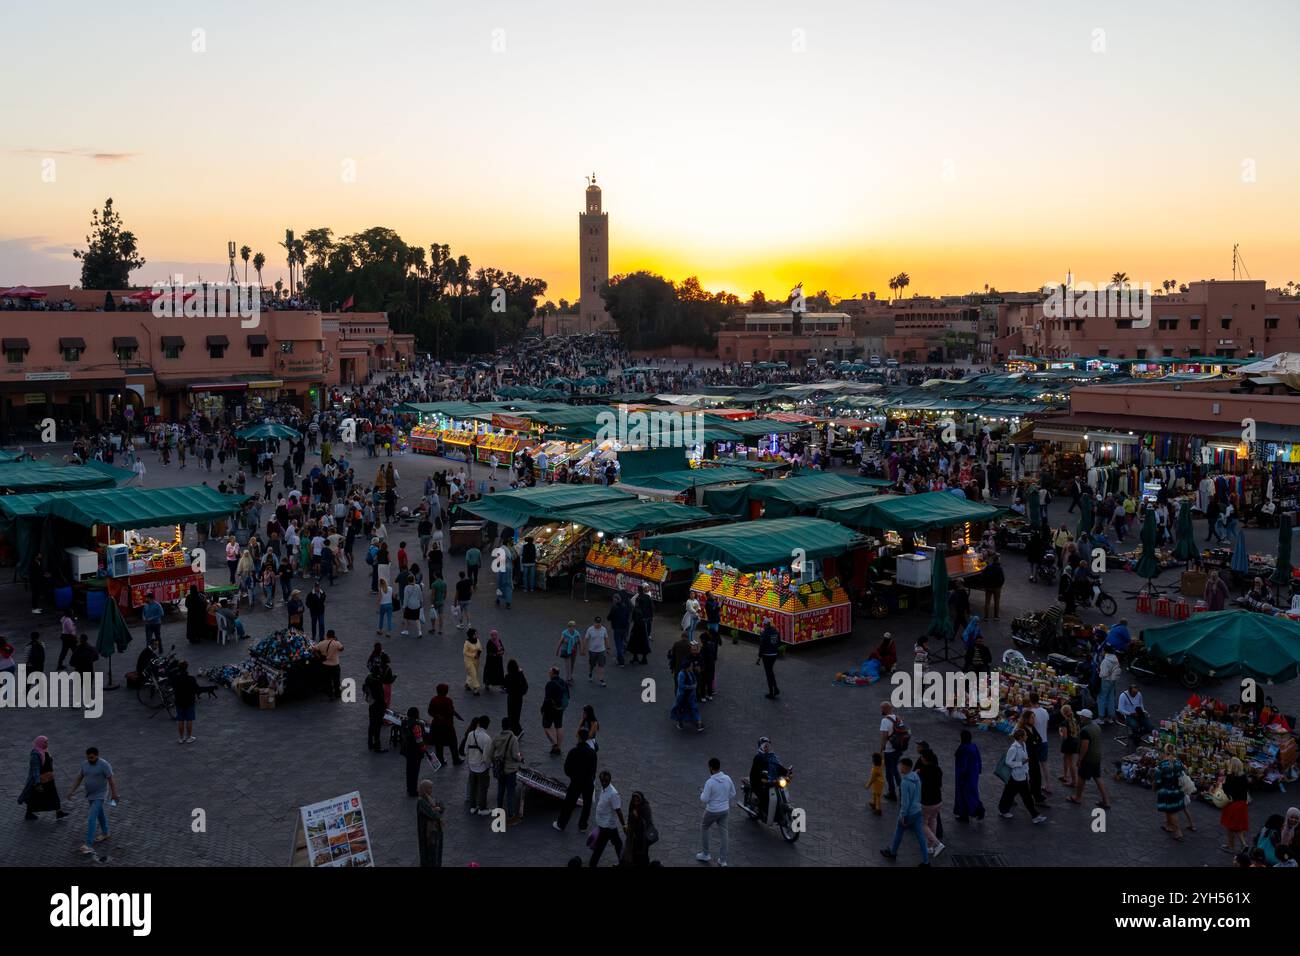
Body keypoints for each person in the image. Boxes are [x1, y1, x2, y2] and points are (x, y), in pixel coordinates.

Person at [67, 747, 118, 855]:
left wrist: (114, 794)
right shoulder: (84, 764)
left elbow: (111, 780)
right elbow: (79, 777)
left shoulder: (104, 765)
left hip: (101, 795)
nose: (90, 759)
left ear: (97, 755)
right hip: (90, 795)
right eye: (88, 757)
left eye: (92, 757)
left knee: (91, 818)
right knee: (100, 814)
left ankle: (88, 845)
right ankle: (105, 832)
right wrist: (71, 791)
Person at [879, 757, 929, 865]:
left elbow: (905, 802)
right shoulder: (916, 777)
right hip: (918, 811)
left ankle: (893, 853)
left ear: (906, 767)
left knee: (899, 832)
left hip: (909, 813)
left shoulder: (905, 782)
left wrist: (903, 815)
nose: (900, 767)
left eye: (901, 765)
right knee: (921, 837)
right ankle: (926, 861)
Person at [553, 727, 598, 833]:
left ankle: (561, 824)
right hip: (588, 782)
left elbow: (567, 769)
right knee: (587, 805)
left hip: (576, 782)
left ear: (579, 737)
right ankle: (583, 825)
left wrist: (573, 776)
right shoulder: (592, 753)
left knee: (569, 804)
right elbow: (594, 769)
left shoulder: (573, 751)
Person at [997, 729, 1046, 823]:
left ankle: (1034, 815)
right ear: (1020, 737)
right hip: (1015, 776)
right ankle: (1034, 815)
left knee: (1016, 795)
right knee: (1013, 795)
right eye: (1025, 735)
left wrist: (1026, 771)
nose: (1027, 736)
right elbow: (1008, 762)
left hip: (1021, 776)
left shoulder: (1023, 745)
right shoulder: (1013, 748)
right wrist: (1021, 763)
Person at [1069, 709, 1112, 809]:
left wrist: (1080, 759)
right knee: (1097, 777)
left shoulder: (1085, 730)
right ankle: (1106, 801)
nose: (1080, 717)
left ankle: (1078, 797)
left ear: (1085, 718)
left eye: (1081, 716)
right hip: (1097, 756)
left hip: (1088, 758)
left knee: (1081, 777)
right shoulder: (1096, 726)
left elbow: (1085, 746)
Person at [19, 736, 68, 821]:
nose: (47, 743)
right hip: (41, 779)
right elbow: (35, 769)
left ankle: (59, 812)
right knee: (34, 796)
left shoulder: (45, 751)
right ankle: (29, 813)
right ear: (40, 743)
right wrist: (37, 782)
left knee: (53, 794)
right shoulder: (35, 754)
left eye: (47, 742)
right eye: (45, 742)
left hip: (49, 778)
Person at [698, 756, 735, 866]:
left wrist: (702, 793)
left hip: (712, 811)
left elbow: (704, 799)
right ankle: (723, 860)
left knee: (704, 827)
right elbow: (733, 794)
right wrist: (723, 797)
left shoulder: (710, 782)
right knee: (724, 833)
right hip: (725, 810)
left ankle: (706, 854)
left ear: (710, 768)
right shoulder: (728, 778)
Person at [1153, 743, 1191, 842]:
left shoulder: (1161, 765)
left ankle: (1178, 832)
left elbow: (1157, 781)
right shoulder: (1179, 762)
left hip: (1166, 792)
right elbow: (1185, 773)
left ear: (1164, 752)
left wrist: (1155, 788)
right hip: (1177, 791)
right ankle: (1168, 826)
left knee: (1171, 812)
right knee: (1170, 810)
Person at [588, 770, 626, 867]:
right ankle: (622, 863)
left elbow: (618, 810)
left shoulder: (613, 794)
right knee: (618, 844)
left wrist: (624, 825)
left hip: (607, 826)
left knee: (599, 847)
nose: (604, 783)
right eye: (602, 781)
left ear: (609, 780)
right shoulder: (603, 788)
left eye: (606, 781)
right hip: (605, 824)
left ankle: (592, 864)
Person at [491, 717, 523, 825]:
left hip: (500, 770)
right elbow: (516, 755)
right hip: (510, 770)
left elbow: (491, 753)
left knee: (500, 790)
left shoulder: (497, 737)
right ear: (510, 726)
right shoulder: (513, 738)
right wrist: (521, 757)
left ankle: (499, 811)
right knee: (510, 792)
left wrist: (495, 763)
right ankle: (511, 816)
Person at [916, 746, 945, 858]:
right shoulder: (938, 769)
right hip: (938, 800)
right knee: (933, 820)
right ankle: (930, 846)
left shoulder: (923, 771)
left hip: (927, 802)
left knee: (922, 823)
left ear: (924, 758)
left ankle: (937, 844)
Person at [427, 684, 464, 767]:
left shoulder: (434, 699)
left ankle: (440, 760)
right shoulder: (448, 700)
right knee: (453, 742)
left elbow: (430, 711)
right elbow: (451, 711)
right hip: (447, 725)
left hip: (436, 725)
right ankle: (456, 759)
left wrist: (437, 716)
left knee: (438, 744)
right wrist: (456, 715)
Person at [878, 701, 908, 801]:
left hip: (889, 750)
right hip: (898, 748)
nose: (881, 710)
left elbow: (884, 737)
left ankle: (892, 793)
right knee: (895, 768)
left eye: (882, 708)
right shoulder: (898, 718)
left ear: (885, 709)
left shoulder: (885, 721)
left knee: (889, 773)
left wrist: (881, 749)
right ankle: (902, 790)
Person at [953, 729, 984, 822]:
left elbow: (963, 765)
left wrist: (962, 776)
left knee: (964, 795)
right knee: (972, 794)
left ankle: (967, 814)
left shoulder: (964, 749)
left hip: (965, 777)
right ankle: (973, 812)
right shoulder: (973, 746)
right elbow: (979, 760)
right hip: (973, 775)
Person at [1220, 757, 1250, 853]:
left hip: (1233, 804)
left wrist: (1223, 784)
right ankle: (1244, 844)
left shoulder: (1230, 777)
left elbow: (1227, 790)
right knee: (1237, 826)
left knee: (1230, 827)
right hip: (1242, 804)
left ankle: (1231, 847)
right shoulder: (1244, 777)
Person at [464, 715, 493, 814]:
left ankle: (473, 806)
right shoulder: (487, 738)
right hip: (482, 767)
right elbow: (486, 757)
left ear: (479, 723)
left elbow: (465, 750)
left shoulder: (470, 734)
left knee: (473, 786)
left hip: (471, 765)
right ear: (487, 725)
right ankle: (482, 808)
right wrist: (488, 766)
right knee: (482, 788)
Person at [621, 792, 654, 866]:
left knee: (643, 856)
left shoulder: (645, 808)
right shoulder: (632, 806)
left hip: (643, 838)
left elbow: (647, 823)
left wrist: (638, 817)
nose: (636, 803)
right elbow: (630, 819)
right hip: (633, 837)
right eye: (634, 800)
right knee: (632, 855)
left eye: (637, 800)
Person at [416, 778, 444, 867]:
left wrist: (437, 809)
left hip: (435, 831)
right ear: (424, 789)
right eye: (429, 788)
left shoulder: (430, 797)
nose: (431, 790)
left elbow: (442, 805)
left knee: (436, 852)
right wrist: (437, 809)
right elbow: (433, 814)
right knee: (430, 854)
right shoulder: (421, 802)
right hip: (428, 834)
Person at [541, 666, 569, 756]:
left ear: (553, 673)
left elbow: (547, 698)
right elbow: (568, 695)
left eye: (550, 672)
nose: (548, 673)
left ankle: (555, 744)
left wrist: (543, 708)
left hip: (550, 708)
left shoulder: (550, 684)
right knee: (559, 726)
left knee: (546, 726)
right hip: (560, 708)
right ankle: (559, 746)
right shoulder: (563, 682)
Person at [671, 659, 704, 732]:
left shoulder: (690, 672)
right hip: (683, 697)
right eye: (691, 666)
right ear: (687, 667)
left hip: (691, 696)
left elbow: (694, 680)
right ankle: (680, 723)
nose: (692, 667)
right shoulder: (681, 674)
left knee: (694, 708)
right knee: (681, 709)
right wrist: (692, 686)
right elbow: (681, 685)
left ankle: (699, 723)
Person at [402, 707, 428, 797]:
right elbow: (419, 740)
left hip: (407, 750)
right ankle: (413, 790)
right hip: (415, 752)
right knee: (415, 771)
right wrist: (424, 749)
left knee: (409, 770)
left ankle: (409, 788)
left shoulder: (404, 723)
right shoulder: (417, 725)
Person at [1118, 683, 1154, 748]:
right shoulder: (1123, 696)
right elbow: (1120, 709)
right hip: (1129, 716)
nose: (1135, 694)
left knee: (1150, 727)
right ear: (1129, 691)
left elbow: (1140, 704)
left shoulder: (1138, 694)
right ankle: (1136, 738)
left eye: (1136, 693)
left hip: (1139, 714)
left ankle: (1136, 735)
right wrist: (1130, 713)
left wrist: (1144, 711)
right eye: (1133, 693)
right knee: (1135, 725)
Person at [172, 661, 199, 744]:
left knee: (180, 720)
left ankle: (181, 738)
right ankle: (189, 737)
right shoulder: (191, 679)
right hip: (189, 701)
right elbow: (196, 689)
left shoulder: (176, 679)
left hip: (179, 701)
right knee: (189, 719)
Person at [312, 629, 344, 700]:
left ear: (327, 635)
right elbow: (342, 649)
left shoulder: (321, 643)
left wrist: (319, 657)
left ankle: (330, 695)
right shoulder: (336, 643)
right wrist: (336, 640)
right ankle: (337, 694)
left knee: (328, 681)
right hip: (335, 665)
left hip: (325, 665)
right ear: (334, 635)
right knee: (336, 680)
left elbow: (314, 650)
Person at [503, 659, 529, 741]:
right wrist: (521, 693)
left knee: (511, 715)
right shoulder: (520, 675)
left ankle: (517, 731)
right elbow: (525, 686)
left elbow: (505, 686)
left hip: (511, 698)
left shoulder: (508, 676)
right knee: (517, 715)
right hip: (519, 698)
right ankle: (515, 731)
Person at [1096, 647, 1121, 724]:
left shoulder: (1105, 661)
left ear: (1105, 651)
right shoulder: (1115, 659)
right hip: (1113, 681)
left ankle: (1101, 718)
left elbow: (1103, 674)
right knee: (1111, 698)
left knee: (1101, 698)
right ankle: (1110, 717)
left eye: (1103, 650)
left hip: (1106, 681)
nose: (1102, 652)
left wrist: (1098, 672)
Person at [757, 618, 781, 698]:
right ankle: (775, 688)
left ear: (766, 624)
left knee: (768, 673)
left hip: (766, 655)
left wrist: (759, 657)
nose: (763, 625)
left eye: (764, 624)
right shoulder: (776, 632)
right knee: (770, 671)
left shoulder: (765, 633)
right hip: (774, 655)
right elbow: (779, 643)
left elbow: (762, 645)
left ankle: (772, 692)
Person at [1058, 704, 1080, 789]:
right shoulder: (1075, 720)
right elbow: (1078, 732)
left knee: (1071, 763)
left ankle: (1074, 781)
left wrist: (1060, 733)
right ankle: (1065, 775)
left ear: (1063, 713)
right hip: (1074, 741)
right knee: (1065, 758)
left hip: (1068, 743)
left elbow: (1065, 736)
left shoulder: (1064, 723)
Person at [583, 615, 609, 686]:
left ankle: (601, 679)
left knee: (601, 665)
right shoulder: (590, 629)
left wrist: (608, 648)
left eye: (599, 623)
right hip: (592, 651)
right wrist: (583, 648)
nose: (598, 624)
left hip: (601, 650)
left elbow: (606, 638)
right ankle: (590, 673)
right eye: (597, 623)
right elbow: (586, 639)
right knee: (592, 664)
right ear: (594, 623)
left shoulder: (604, 629)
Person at [607, 591, 630, 666]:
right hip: (624, 627)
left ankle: (621, 660)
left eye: (614, 599)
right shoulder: (624, 606)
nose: (613, 600)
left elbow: (609, 617)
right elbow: (627, 616)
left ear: (616, 599)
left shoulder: (614, 607)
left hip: (617, 628)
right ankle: (619, 657)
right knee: (621, 642)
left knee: (618, 644)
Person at [401, 569, 424, 637]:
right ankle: (419, 631)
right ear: (414, 579)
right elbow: (420, 596)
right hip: (417, 605)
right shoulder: (418, 586)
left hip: (409, 605)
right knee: (417, 619)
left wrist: (404, 607)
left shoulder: (407, 588)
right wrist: (421, 603)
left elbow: (406, 598)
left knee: (406, 617)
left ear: (408, 581)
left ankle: (406, 630)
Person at [982, 552, 1005, 619]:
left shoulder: (988, 567)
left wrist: (985, 585)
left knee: (987, 602)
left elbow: (984, 576)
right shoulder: (999, 568)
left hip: (988, 587)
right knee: (996, 602)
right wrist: (1000, 585)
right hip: (997, 588)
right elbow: (1002, 579)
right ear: (997, 560)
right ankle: (996, 616)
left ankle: (986, 616)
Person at [462, 628, 482, 696]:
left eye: (476, 633)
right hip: (468, 660)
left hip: (476, 660)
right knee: (473, 673)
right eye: (475, 634)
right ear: (471, 635)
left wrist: (478, 654)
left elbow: (480, 648)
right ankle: (476, 688)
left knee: (472, 673)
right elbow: (464, 652)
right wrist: (473, 655)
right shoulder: (467, 642)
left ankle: (467, 684)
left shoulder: (477, 640)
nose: (476, 635)